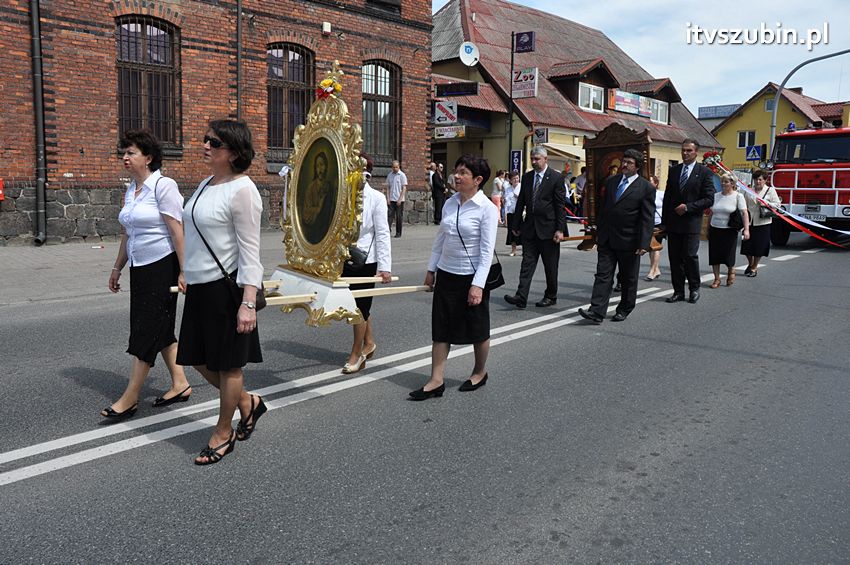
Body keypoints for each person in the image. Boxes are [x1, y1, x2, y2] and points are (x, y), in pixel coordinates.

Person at [178, 119, 266, 465]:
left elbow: (250, 252)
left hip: (226, 289)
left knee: (228, 365)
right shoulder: (204, 184)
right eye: (205, 140)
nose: (205, 145)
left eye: (213, 142)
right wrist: (187, 270)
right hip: (200, 288)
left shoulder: (243, 190)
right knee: (197, 359)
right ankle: (248, 403)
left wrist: (248, 303)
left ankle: (223, 431)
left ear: (233, 152)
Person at [102, 129, 192, 421]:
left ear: (149, 157)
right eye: (123, 152)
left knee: (145, 328)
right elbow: (129, 232)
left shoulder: (163, 186)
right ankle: (180, 383)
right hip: (141, 266)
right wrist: (118, 267)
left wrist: (184, 271)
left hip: (162, 265)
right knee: (161, 329)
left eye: (131, 153)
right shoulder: (133, 188)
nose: (124, 157)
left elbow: (177, 231)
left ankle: (130, 398)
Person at [411, 154, 498, 400]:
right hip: (447, 274)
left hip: (471, 277)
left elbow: (486, 251)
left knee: (477, 328)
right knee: (441, 328)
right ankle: (435, 380)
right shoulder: (450, 203)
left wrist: (478, 286)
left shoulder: (487, 209)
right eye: (456, 171)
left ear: (478, 180)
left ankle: (480, 372)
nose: (456, 176)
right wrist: (431, 269)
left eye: (463, 173)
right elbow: (440, 240)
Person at [578, 149, 655, 324]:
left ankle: (624, 308)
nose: (624, 165)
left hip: (629, 240)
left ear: (637, 166)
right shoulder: (612, 182)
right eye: (623, 161)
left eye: (629, 162)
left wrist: (644, 243)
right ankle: (596, 311)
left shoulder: (646, 188)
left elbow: (647, 218)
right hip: (607, 238)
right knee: (603, 274)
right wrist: (597, 232)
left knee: (628, 277)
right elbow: (605, 209)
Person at [341, 154, 392, 374]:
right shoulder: (343, 195)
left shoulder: (377, 198)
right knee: (354, 305)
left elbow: (382, 233)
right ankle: (369, 342)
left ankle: (357, 353)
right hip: (344, 257)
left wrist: (385, 267)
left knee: (358, 309)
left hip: (366, 260)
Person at [504, 146, 566, 308]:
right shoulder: (527, 177)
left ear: (546, 159)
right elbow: (521, 202)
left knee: (550, 266)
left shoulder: (555, 178)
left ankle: (551, 296)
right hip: (530, 228)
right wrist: (516, 224)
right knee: (527, 264)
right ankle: (521, 296)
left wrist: (560, 229)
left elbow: (560, 206)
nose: (534, 161)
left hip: (549, 229)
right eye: (532, 158)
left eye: (537, 159)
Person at [662, 138, 715, 304]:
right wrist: (664, 223)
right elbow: (668, 198)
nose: (685, 153)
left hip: (691, 222)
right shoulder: (674, 170)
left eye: (689, 151)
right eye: (683, 150)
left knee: (690, 256)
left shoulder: (704, 172)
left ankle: (694, 288)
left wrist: (688, 207)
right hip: (674, 223)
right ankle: (678, 291)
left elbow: (709, 199)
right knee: (675, 258)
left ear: (696, 152)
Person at [708, 173, 750, 288]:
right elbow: (712, 212)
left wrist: (746, 229)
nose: (723, 183)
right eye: (722, 181)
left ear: (732, 183)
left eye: (726, 181)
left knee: (728, 255)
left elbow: (744, 212)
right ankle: (716, 279)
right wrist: (708, 228)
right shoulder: (716, 196)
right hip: (715, 228)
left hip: (730, 230)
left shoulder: (738, 196)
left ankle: (731, 270)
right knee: (714, 255)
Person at [741, 169, 782, 277]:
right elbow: (743, 204)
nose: (758, 181)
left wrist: (765, 204)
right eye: (756, 179)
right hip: (749, 221)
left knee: (759, 246)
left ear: (765, 180)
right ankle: (750, 264)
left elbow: (777, 205)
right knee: (747, 246)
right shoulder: (748, 190)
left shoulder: (770, 190)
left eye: (760, 179)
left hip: (763, 222)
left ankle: (754, 267)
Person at [644, 174, 664, 281]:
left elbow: (667, 208)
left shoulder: (661, 194)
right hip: (648, 223)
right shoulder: (644, 194)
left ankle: (652, 270)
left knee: (656, 246)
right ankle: (656, 269)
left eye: (651, 181)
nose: (648, 182)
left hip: (658, 223)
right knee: (650, 247)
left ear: (656, 183)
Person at [386, 160, 408, 238]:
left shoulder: (402, 175)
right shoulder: (389, 175)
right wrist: (388, 198)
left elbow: (404, 188)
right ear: (392, 167)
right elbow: (388, 188)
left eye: (396, 167)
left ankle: (398, 232)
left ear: (399, 167)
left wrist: (400, 199)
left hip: (399, 200)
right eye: (394, 167)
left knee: (399, 217)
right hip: (391, 199)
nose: (395, 168)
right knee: (389, 216)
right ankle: (388, 231)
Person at [503, 170, 521, 256]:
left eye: (517, 178)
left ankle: (525, 250)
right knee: (511, 231)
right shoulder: (508, 189)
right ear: (510, 180)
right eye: (514, 179)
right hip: (511, 212)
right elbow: (506, 201)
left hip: (520, 213)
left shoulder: (522, 187)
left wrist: (518, 197)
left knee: (522, 230)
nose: (516, 180)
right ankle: (513, 250)